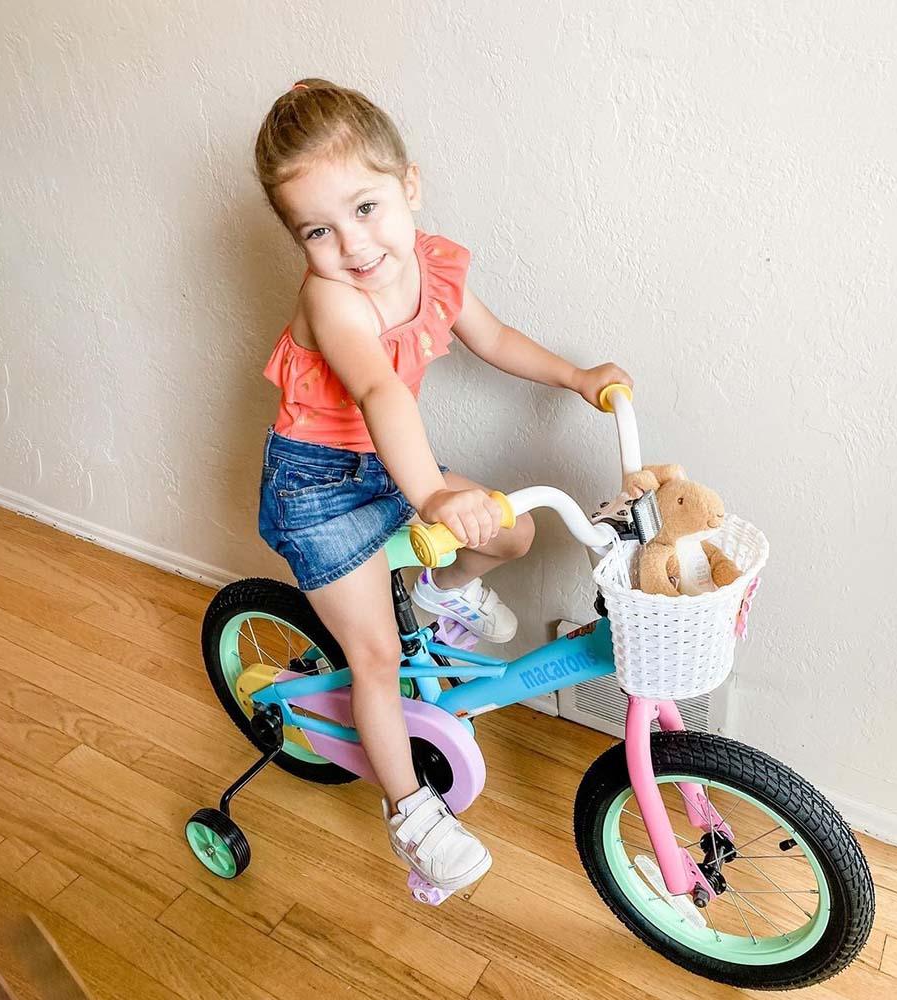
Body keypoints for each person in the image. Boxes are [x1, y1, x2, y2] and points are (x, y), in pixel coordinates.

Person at [254, 78, 633, 893]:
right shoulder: (331, 300)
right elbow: (381, 393)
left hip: (393, 465)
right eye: (318, 229)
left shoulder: (434, 265)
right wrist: (429, 496)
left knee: (513, 531)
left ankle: (440, 594)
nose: (353, 245)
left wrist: (574, 376)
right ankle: (411, 814)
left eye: (366, 208)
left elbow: (490, 335)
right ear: (298, 240)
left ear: (409, 187)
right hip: (317, 489)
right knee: (376, 658)